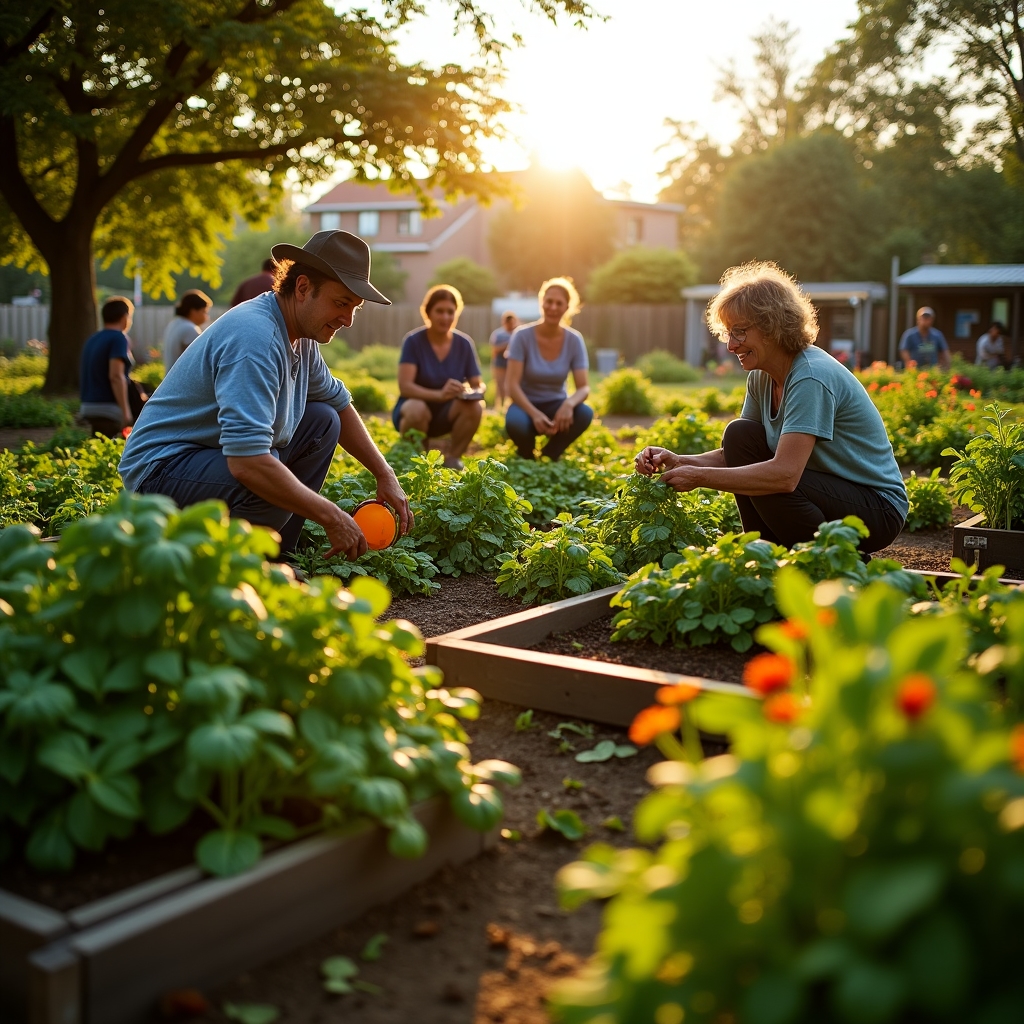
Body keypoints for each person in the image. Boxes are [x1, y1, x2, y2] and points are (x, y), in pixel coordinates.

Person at [119, 231, 411, 562]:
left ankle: (276, 554)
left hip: (207, 459)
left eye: (354, 308)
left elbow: (337, 403)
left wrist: (384, 474)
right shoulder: (256, 339)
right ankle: (241, 566)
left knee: (323, 420)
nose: (347, 319)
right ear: (302, 288)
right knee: (264, 475)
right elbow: (248, 463)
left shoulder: (300, 335)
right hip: (160, 473)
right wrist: (332, 516)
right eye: (341, 303)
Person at [635, 262, 907, 553]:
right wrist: (680, 461)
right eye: (728, 333)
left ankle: (831, 562)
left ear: (772, 326)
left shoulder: (811, 376)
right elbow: (738, 455)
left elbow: (785, 476)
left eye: (739, 332)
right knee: (740, 434)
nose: (731, 345)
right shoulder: (762, 376)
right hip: (826, 492)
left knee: (772, 477)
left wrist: (700, 478)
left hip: (876, 508)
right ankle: (767, 552)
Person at [392, 284, 484, 470]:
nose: (445, 317)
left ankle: (453, 459)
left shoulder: (464, 344)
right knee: (416, 408)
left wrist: (468, 392)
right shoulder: (413, 341)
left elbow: (479, 385)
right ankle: (418, 461)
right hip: (412, 411)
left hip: (446, 414)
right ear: (428, 313)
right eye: (439, 311)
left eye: (451, 312)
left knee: (475, 407)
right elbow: (405, 386)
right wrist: (440, 394)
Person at [505, 277, 592, 461]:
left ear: (567, 307)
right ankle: (526, 454)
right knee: (515, 422)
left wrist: (568, 404)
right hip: (525, 404)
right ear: (541, 303)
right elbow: (512, 385)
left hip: (557, 405)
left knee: (584, 413)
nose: (553, 307)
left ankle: (550, 454)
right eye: (549, 301)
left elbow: (584, 387)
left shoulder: (574, 340)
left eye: (559, 303)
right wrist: (534, 414)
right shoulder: (521, 336)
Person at [79, 296, 143, 437]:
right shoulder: (119, 338)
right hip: (108, 407)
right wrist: (126, 412)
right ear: (125, 317)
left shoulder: (92, 339)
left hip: (87, 405)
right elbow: (116, 376)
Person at [163, 289, 212, 373]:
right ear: (193, 311)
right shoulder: (190, 329)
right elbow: (201, 361)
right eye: (204, 312)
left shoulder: (174, 323)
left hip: (170, 378)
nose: (207, 317)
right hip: (182, 380)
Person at [489, 310, 518, 409]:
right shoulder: (498, 334)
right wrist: (507, 345)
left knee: (511, 387)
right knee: (500, 387)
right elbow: (494, 349)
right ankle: (499, 408)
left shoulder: (517, 334)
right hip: (499, 364)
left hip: (512, 365)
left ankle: (508, 408)